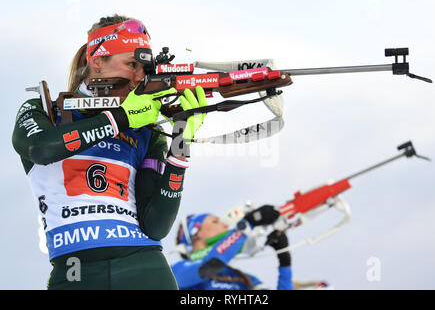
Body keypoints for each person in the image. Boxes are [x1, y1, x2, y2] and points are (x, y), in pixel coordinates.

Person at [12, 14, 207, 290]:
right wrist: (120, 119)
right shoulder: (44, 110)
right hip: (74, 272)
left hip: (145, 268)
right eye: (132, 64)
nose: (140, 76)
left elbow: (156, 226)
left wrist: (180, 143)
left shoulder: (146, 131)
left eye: (145, 67)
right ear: (97, 62)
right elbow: (40, 148)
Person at [171, 205, 294, 290]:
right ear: (196, 235)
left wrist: (284, 261)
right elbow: (210, 265)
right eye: (215, 221)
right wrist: (246, 225)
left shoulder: (243, 278)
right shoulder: (176, 271)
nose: (225, 226)